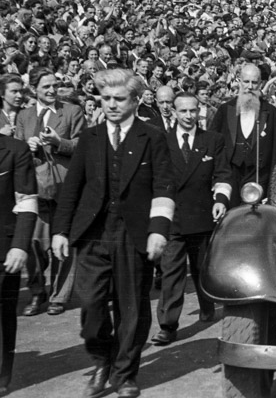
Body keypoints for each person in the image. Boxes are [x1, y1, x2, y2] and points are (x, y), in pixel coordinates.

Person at [52, 68, 175, 398]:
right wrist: (61, 231)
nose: (111, 104)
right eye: (105, 98)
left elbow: (164, 186)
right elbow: (72, 188)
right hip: (93, 233)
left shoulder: (152, 137)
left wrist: (158, 230)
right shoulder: (90, 139)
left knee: (131, 309)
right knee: (91, 305)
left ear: (135, 101)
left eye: (119, 99)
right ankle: (101, 358)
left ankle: (124, 375)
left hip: (133, 234)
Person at [152, 92, 232, 346]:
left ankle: (207, 304)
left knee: (202, 268)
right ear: (174, 113)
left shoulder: (213, 140)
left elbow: (222, 174)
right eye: (183, 111)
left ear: (200, 111)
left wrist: (220, 199)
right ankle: (168, 324)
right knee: (172, 272)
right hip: (173, 217)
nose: (188, 116)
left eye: (192, 111)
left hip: (202, 215)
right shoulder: (162, 142)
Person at [15, 67, 85, 317]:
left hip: (65, 188)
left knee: (64, 244)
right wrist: (27, 146)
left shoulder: (72, 111)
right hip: (36, 187)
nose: (52, 90)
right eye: (46, 87)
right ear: (34, 89)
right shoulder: (24, 115)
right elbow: (17, 148)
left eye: (54, 85)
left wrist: (59, 143)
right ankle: (37, 291)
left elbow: (82, 144)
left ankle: (59, 296)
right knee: (33, 243)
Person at [208, 63, 276, 207]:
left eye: (254, 82)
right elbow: (213, 144)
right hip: (231, 176)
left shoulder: (271, 112)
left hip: (258, 177)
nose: (249, 86)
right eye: (246, 81)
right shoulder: (225, 110)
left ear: (260, 84)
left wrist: (272, 189)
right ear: (239, 81)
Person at [0, 129, 37, 394]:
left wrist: (19, 245)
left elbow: (26, 202)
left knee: (2, 315)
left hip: (4, 249)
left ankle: (1, 376)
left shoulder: (15, 149)